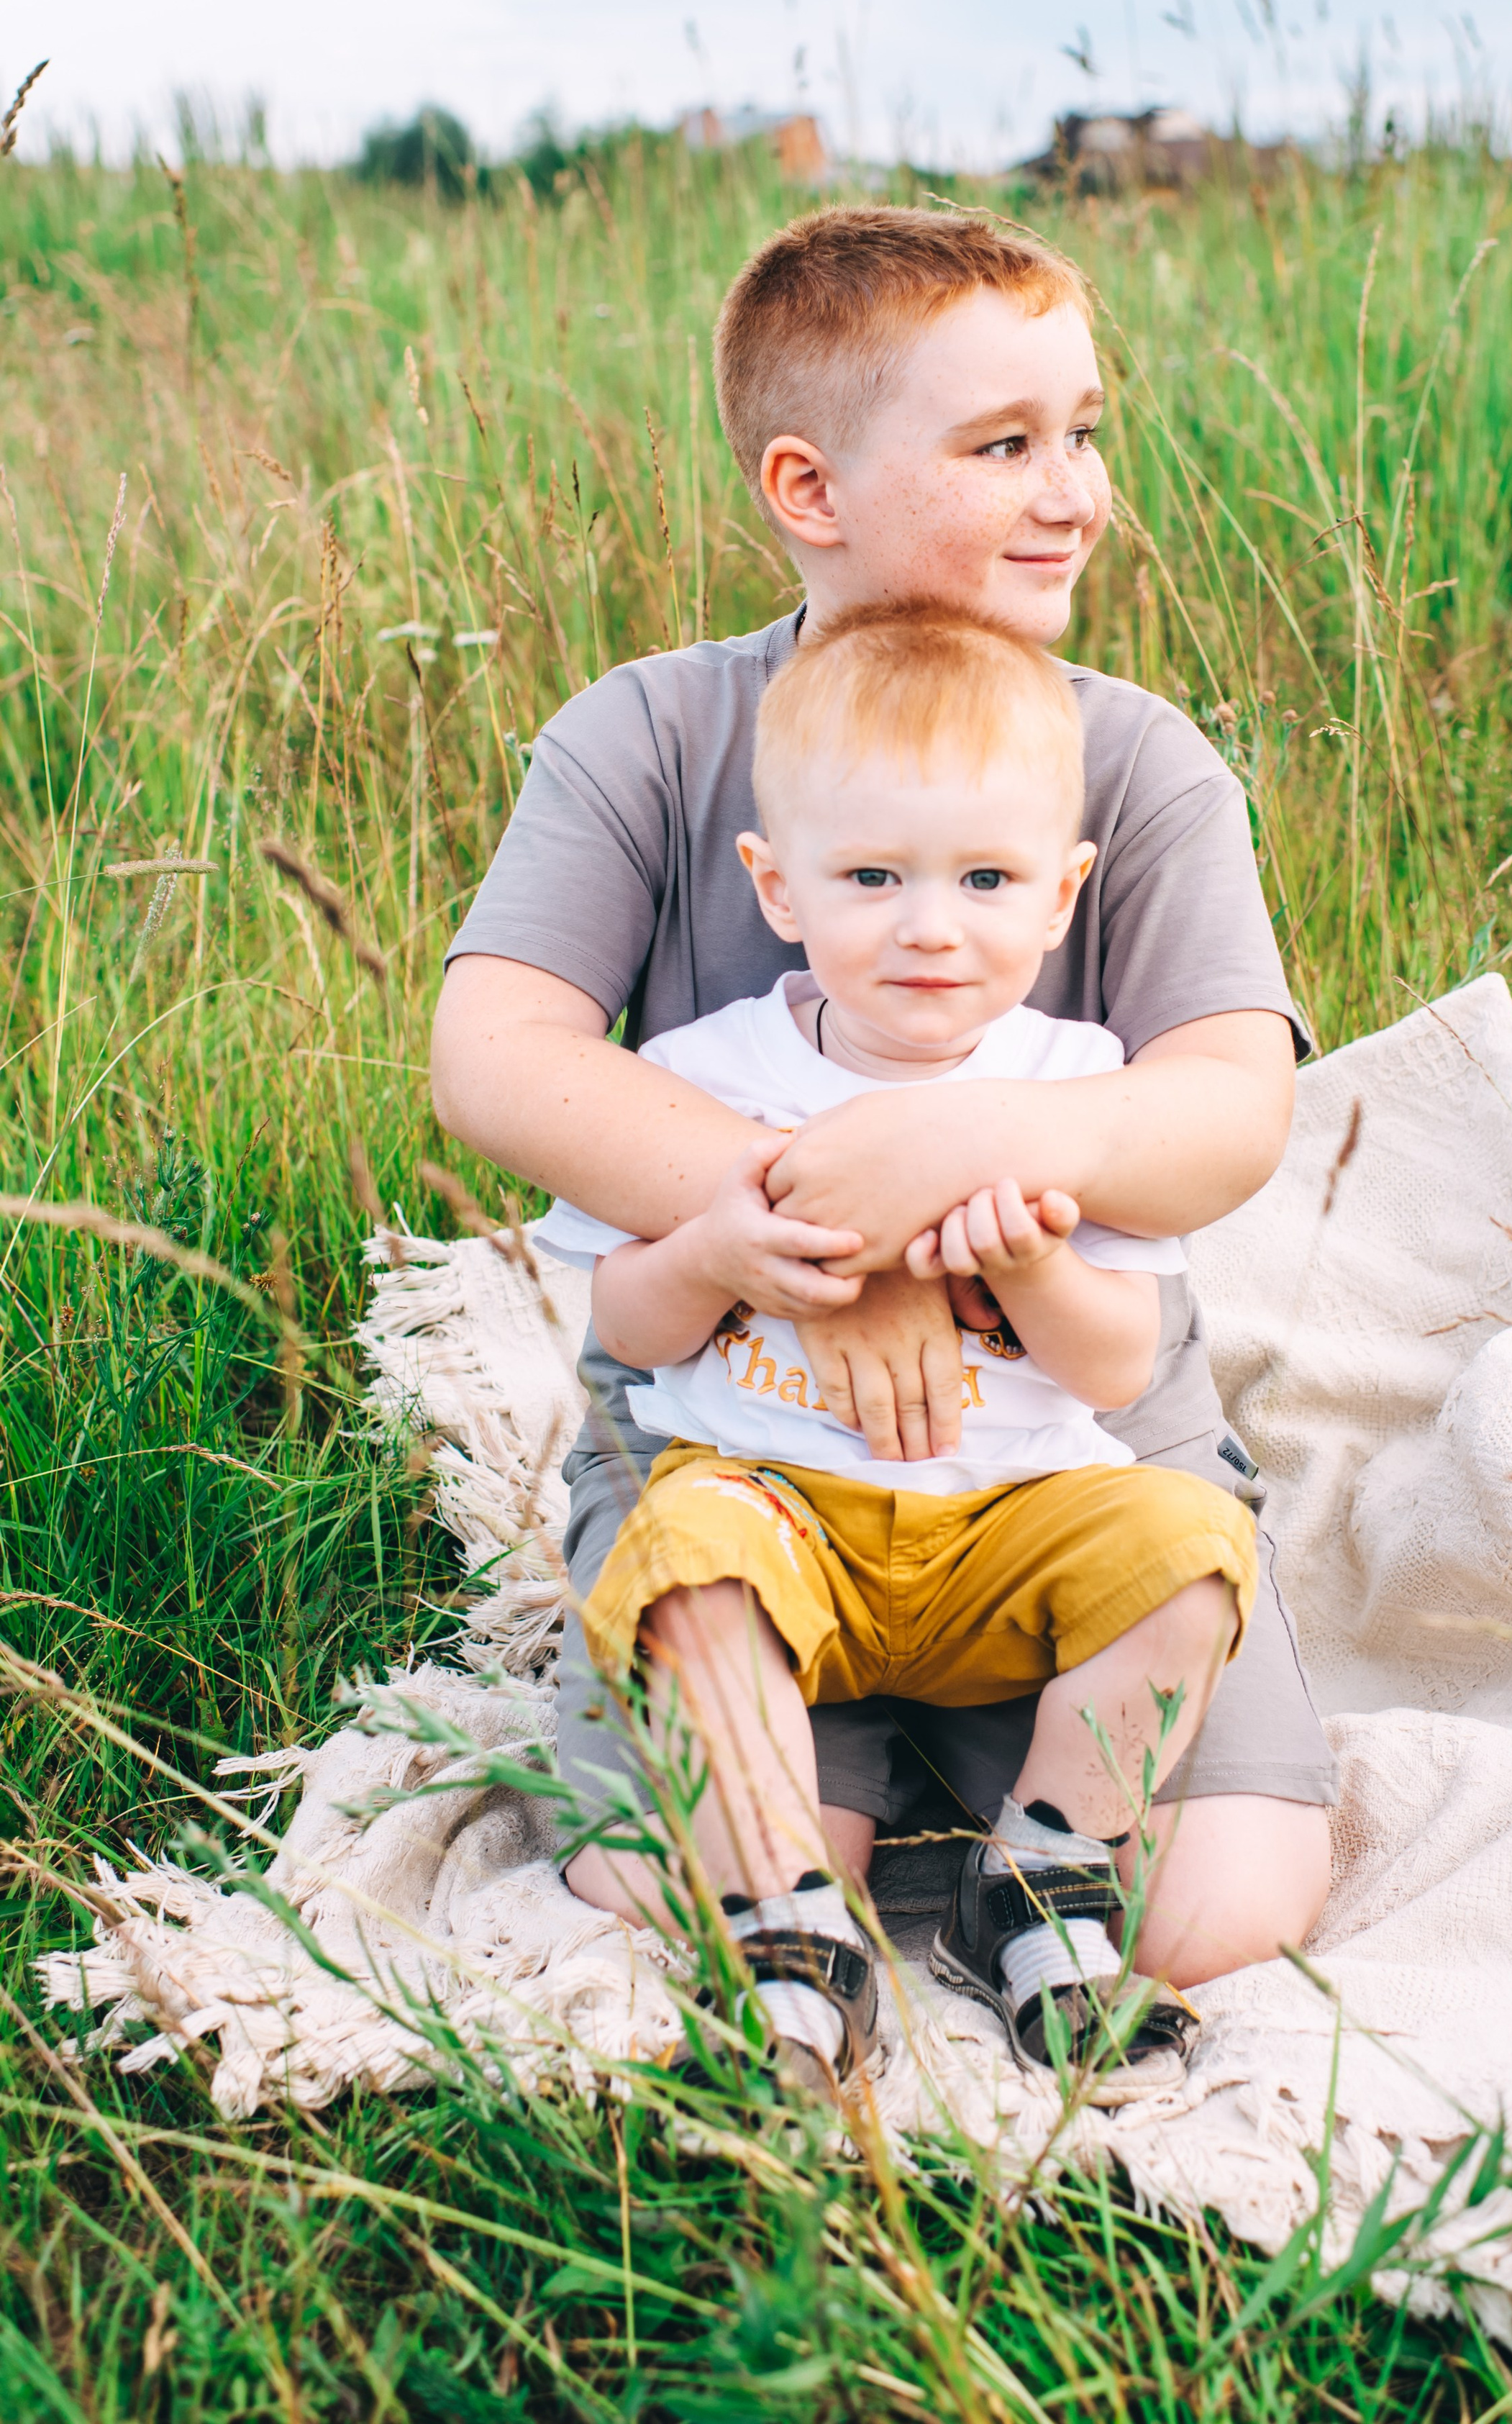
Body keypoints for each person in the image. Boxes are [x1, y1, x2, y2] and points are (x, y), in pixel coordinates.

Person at [430, 203, 1333, 2031]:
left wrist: (963, 1162)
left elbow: (1227, 1107)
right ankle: (822, 1835)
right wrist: (835, 1251)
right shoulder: (653, 736)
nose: (1072, 488)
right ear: (806, 484)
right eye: (1002, 444)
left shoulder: (1135, 760)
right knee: (658, 1882)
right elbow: (501, 1052)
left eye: (1082, 430)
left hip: (1067, 1436)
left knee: (1214, 1913)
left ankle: (1026, 1856)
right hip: (747, 1428)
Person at [526, 609, 1262, 2086]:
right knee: (683, 1563)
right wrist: (717, 1254)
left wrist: (1037, 1266)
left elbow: (1118, 1365)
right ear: (776, 885)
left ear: (1060, 898)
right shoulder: (701, 1078)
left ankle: (1045, 1872)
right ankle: (788, 1914)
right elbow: (614, 1321)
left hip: (1011, 1530)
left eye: (984, 880)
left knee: (1191, 1547)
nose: (930, 925)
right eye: (872, 877)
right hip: (778, 1508)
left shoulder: (1077, 1089)